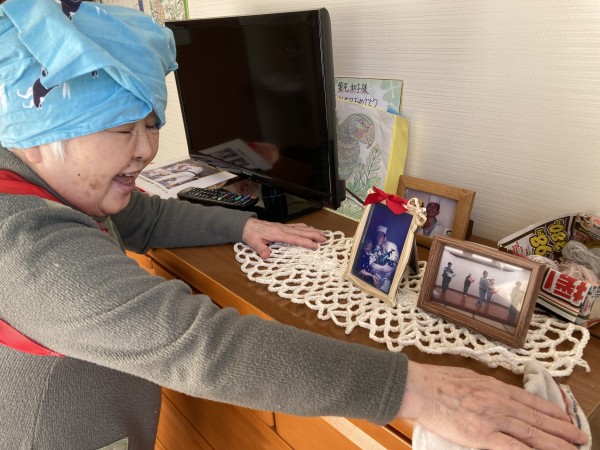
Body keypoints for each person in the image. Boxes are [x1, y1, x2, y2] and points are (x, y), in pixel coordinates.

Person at [0, 2, 587, 449]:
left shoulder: (57, 190)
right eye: (122, 129)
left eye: (152, 125)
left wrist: (241, 227)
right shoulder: (23, 244)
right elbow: (202, 345)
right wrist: (425, 391)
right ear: (42, 133)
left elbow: (145, 215)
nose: (146, 150)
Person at [369, 225, 399, 293]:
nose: (378, 238)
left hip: (390, 280)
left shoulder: (392, 246)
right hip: (378, 279)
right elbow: (371, 265)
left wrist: (374, 266)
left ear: (385, 238)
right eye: (377, 236)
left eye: (380, 236)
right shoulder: (377, 248)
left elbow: (389, 268)